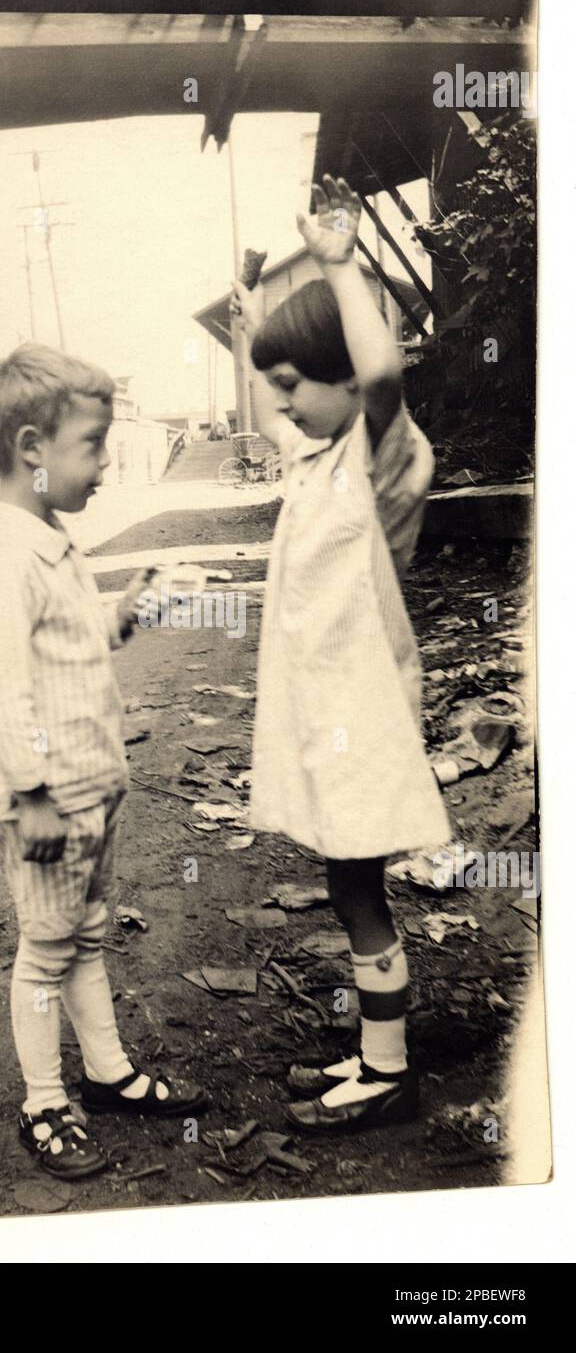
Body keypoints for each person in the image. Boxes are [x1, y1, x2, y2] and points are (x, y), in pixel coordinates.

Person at [0, 344, 206, 1181]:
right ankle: (42, 1100)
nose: (104, 463)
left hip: (90, 789)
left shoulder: (45, 538)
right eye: (93, 445)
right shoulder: (3, 555)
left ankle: (106, 1076)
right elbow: (0, 687)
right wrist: (29, 794)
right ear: (33, 449)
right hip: (50, 800)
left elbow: (67, 645)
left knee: (84, 938)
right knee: (44, 950)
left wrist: (126, 611)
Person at [230, 176, 450, 1135]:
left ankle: (389, 1072)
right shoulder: (315, 456)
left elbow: (386, 376)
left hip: (363, 716)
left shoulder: (380, 455)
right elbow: (277, 410)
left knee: (358, 887)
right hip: (326, 712)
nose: (282, 403)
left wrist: (338, 266)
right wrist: (254, 332)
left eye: (296, 383)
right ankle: (374, 1046)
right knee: (342, 878)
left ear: (350, 382)